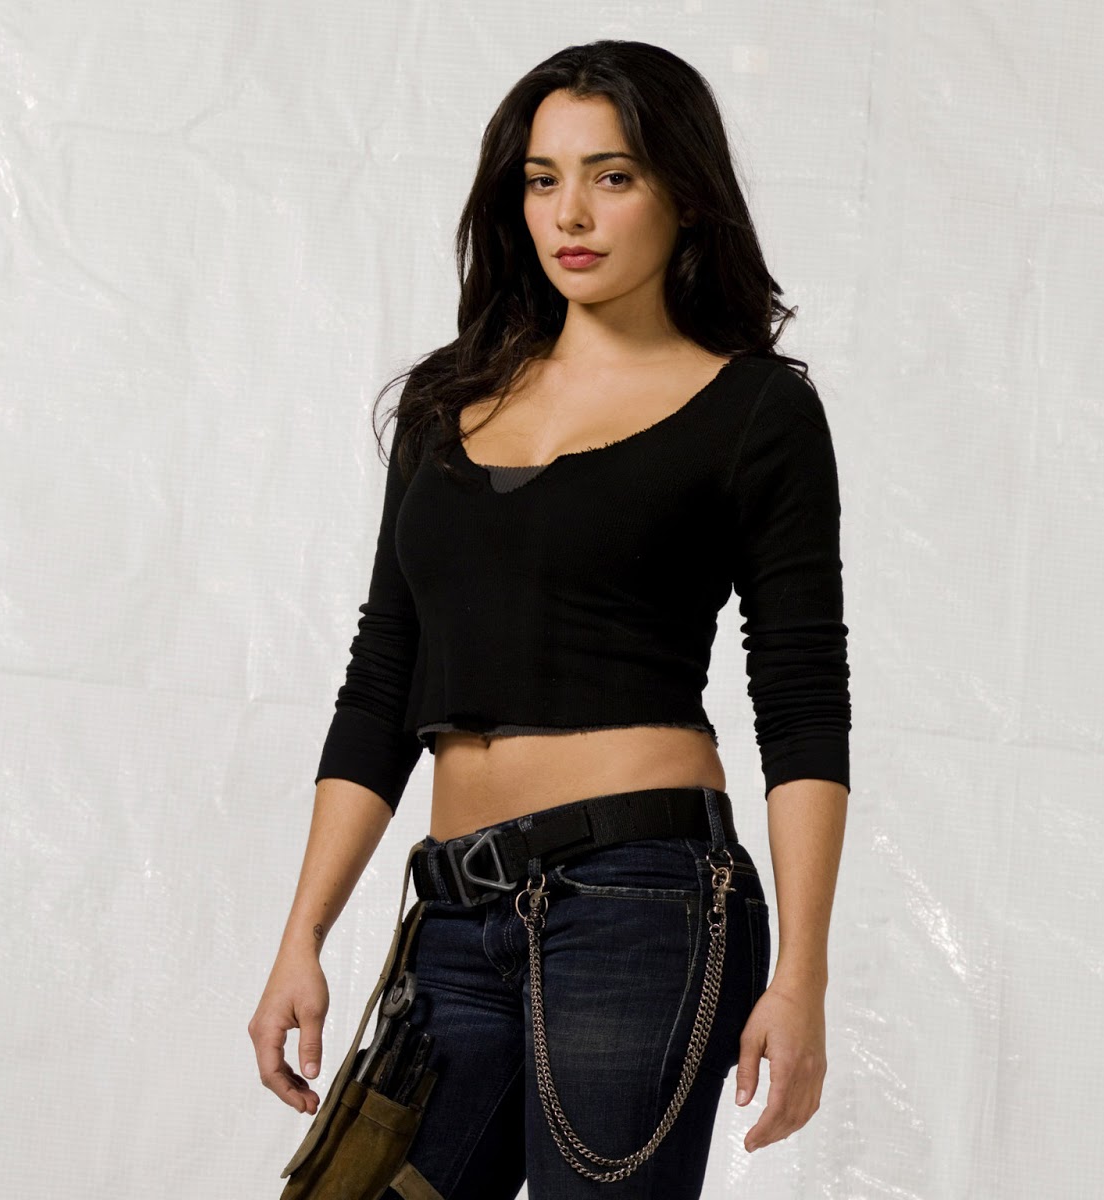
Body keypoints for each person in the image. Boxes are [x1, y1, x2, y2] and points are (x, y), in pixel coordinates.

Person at [249, 38, 849, 1199]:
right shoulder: (447, 399)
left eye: (611, 176)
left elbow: (802, 700)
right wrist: (301, 938)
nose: (569, 212)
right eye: (541, 179)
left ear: (684, 194)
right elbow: (384, 675)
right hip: (452, 913)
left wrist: (803, 978)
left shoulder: (755, 411)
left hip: (643, 905)